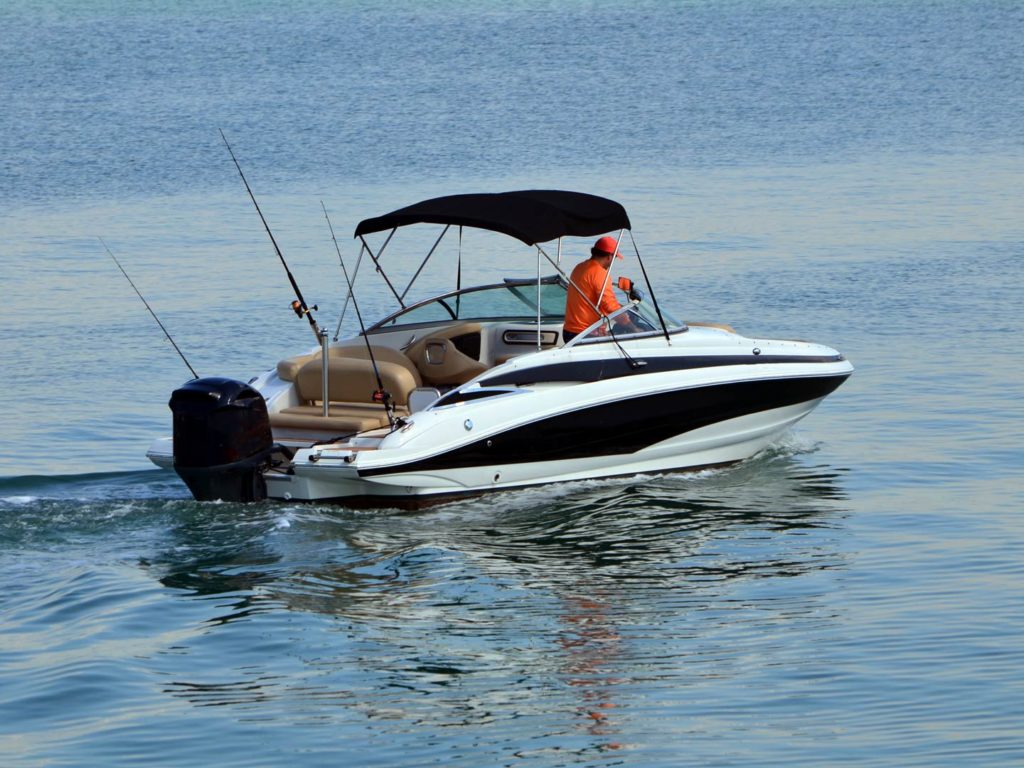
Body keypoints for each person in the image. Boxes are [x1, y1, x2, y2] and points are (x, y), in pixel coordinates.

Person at [563, 236, 636, 343]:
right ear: (609, 257)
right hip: (585, 335)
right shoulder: (600, 274)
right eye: (614, 257)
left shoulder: (579, 267)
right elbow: (610, 306)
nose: (612, 261)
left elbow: (596, 301)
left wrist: (622, 310)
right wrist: (633, 328)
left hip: (569, 332)